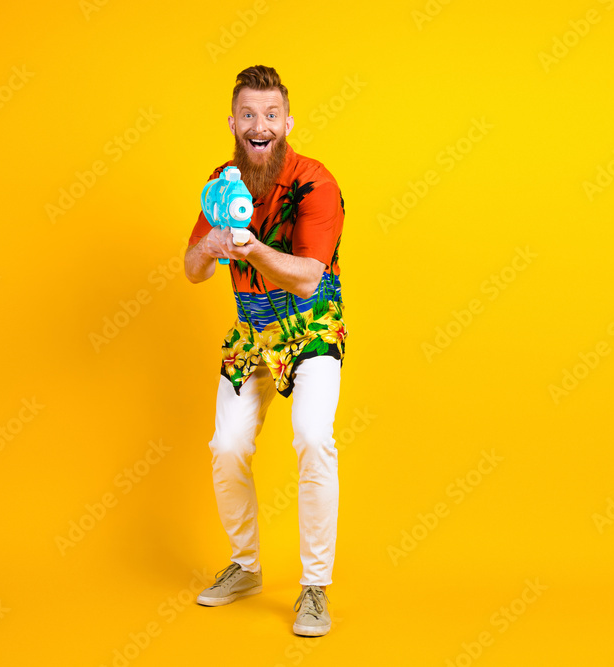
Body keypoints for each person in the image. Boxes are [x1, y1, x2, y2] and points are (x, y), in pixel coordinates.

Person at [184, 65, 348, 638]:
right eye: (249, 115)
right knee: (226, 445)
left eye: (270, 115)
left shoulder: (315, 182)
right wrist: (210, 244)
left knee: (312, 437)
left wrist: (251, 250)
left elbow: (307, 277)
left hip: (312, 329)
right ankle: (247, 567)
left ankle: (314, 589)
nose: (260, 125)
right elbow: (192, 271)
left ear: (287, 122)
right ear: (233, 123)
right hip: (251, 333)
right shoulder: (221, 183)